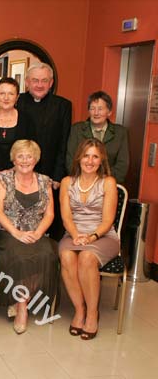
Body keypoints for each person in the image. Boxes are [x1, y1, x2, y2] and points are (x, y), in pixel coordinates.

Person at [0, 140, 59, 334]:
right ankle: (22, 306)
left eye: (29, 156)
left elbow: (49, 214)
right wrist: (17, 233)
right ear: (13, 159)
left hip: (36, 232)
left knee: (46, 254)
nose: (24, 160)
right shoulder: (3, 179)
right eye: (20, 156)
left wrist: (38, 233)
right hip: (8, 232)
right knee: (20, 256)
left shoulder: (45, 181)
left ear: (36, 159)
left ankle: (22, 299)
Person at [59, 138, 119, 340]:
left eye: (95, 156)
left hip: (102, 234)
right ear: (79, 158)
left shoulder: (108, 183)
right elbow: (66, 216)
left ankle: (93, 313)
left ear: (101, 160)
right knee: (67, 256)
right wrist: (76, 235)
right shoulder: (67, 182)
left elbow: (108, 219)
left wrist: (92, 237)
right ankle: (79, 310)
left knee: (86, 258)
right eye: (86, 156)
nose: (90, 161)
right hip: (74, 233)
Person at [16, 62, 72, 240]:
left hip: (50, 174)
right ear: (27, 82)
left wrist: (57, 175)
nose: (39, 85)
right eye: (35, 80)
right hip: (22, 172)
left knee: (49, 224)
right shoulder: (17, 101)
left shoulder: (63, 105)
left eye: (44, 80)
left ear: (51, 82)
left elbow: (64, 142)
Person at [67, 91, 129, 183]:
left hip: (109, 184)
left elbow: (122, 165)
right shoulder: (76, 129)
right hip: (81, 183)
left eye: (100, 109)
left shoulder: (120, 132)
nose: (96, 113)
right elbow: (70, 160)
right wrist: (85, 180)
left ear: (109, 112)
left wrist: (104, 181)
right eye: (92, 108)